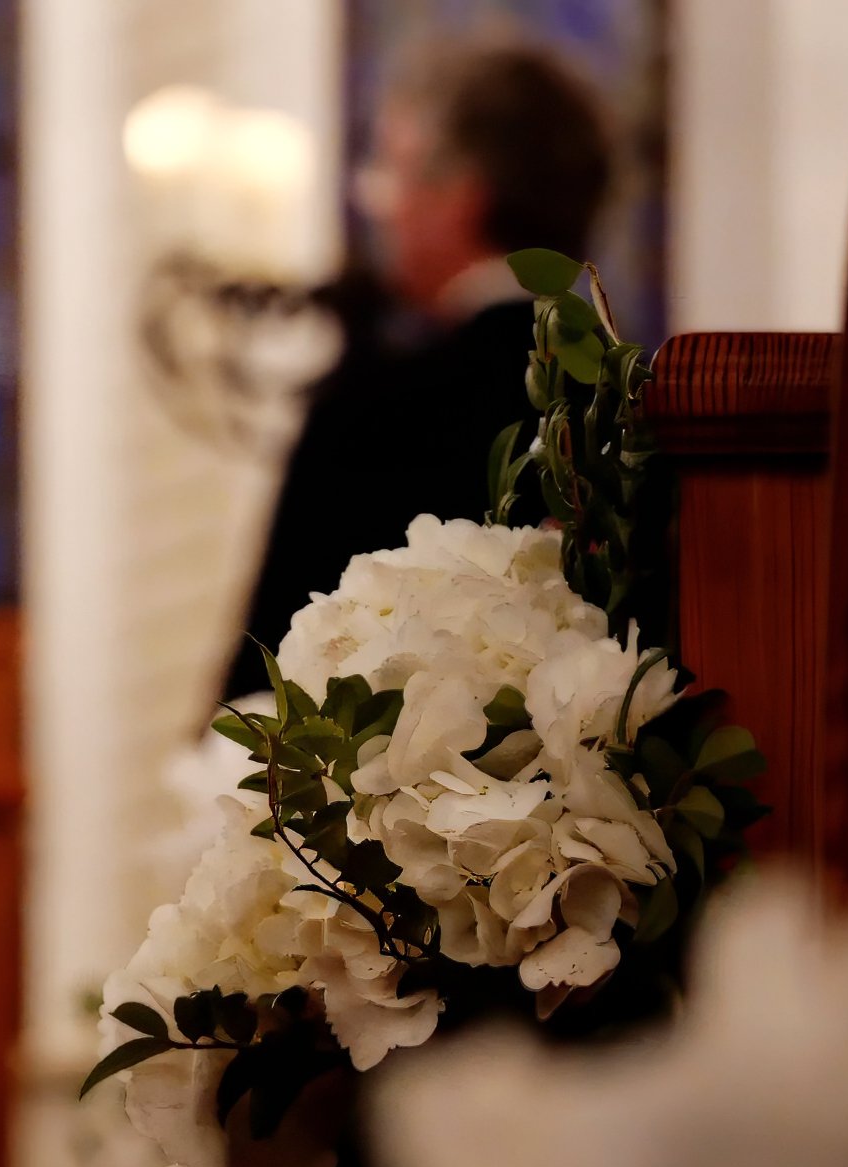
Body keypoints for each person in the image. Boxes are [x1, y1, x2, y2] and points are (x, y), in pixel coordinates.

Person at [226, 43, 614, 697]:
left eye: (390, 170)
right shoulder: (629, 401)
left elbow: (266, 680)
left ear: (460, 195)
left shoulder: (378, 413)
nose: (376, 204)